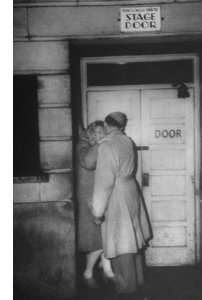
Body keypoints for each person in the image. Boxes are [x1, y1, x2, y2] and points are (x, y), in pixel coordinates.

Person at [91, 112, 152, 298]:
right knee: (132, 236)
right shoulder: (127, 141)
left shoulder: (107, 145)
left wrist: (97, 211)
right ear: (122, 126)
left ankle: (127, 288)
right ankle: (138, 280)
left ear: (107, 126)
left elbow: (104, 182)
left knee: (121, 241)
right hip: (131, 190)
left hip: (117, 193)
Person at [76, 120, 114, 287]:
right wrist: (101, 143)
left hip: (99, 195)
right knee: (97, 239)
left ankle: (106, 268)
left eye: (102, 133)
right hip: (89, 198)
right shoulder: (83, 147)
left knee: (101, 236)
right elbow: (89, 163)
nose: (99, 136)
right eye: (96, 133)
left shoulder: (97, 147)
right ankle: (88, 272)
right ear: (90, 133)